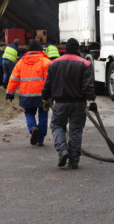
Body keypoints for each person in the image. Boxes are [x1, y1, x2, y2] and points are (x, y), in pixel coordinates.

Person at [41, 38, 96, 169]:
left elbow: (47, 84)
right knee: (76, 130)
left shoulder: (54, 64)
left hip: (60, 103)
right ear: (78, 49)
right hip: (79, 103)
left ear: (65, 49)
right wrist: (92, 101)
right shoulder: (85, 64)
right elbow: (88, 86)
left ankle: (62, 151)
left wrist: (45, 99)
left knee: (56, 126)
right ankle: (74, 160)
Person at [6, 39, 51, 146]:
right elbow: (50, 80)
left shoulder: (21, 62)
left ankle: (33, 128)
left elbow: (13, 79)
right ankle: (40, 139)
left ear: (29, 50)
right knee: (43, 114)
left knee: (29, 112)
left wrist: (10, 93)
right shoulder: (46, 62)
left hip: (26, 95)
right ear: (40, 50)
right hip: (43, 95)